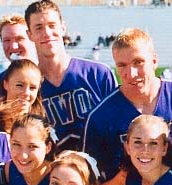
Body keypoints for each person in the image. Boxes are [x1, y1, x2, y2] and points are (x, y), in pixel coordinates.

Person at [83, 28, 172, 182]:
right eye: (122, 65)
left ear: (154, 61)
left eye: (138, 62)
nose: (131, 74)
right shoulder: (100, 116)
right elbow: (90, 181)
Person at [25, 0, 117, 150]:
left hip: (101, 164)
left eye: (52, 25)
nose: (47, 33)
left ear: (63, 28)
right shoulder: (27, 87)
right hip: (51, 164)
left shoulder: (98, 74)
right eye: (39, 27)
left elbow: (119, 127)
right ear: (29, 35)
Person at [0, 59, 45, 133]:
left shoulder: (42, 125)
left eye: (32, 88)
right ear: (6, 84)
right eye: (19, 85)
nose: (26, 93)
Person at [0, 14, 38, 90]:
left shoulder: (51, 76)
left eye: (19, 39)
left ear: (32, 38)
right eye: (7, 40)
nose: (13, 47)